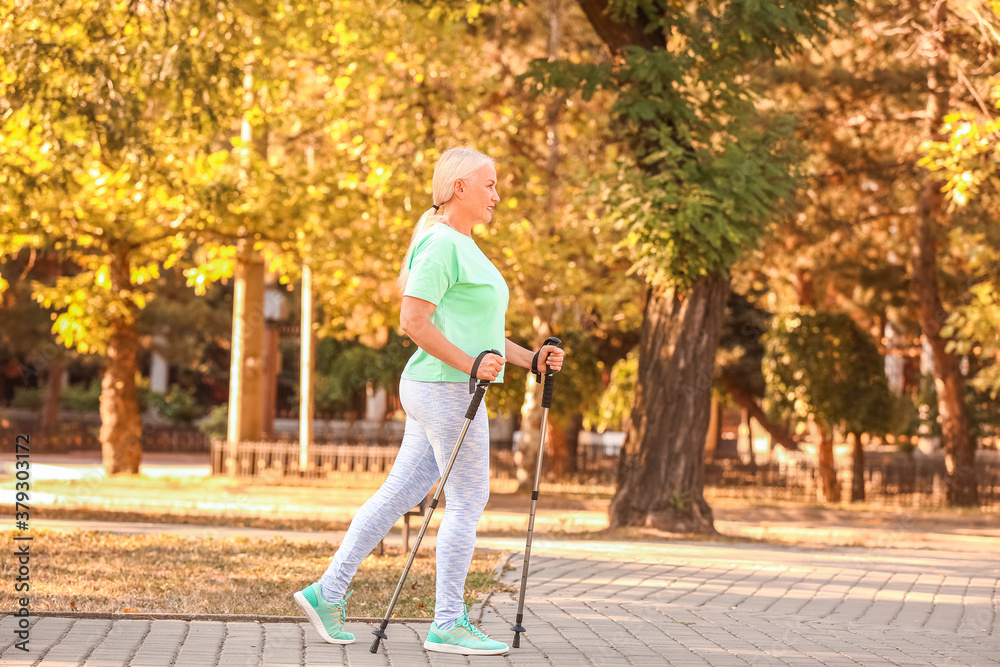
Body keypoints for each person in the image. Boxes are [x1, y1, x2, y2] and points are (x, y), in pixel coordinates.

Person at [294, 147, 564, 656]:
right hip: (445, 389)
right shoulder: (442, 244)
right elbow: (412, 323)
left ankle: (326, 592)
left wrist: (532, 360)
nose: (497, 196)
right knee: (468, 500)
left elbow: (483, 335)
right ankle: (447, 624)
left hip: (440, 386)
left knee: (399, 494)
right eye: (489, 185)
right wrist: (469, 366)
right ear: (458, 187)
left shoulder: (461, 243)